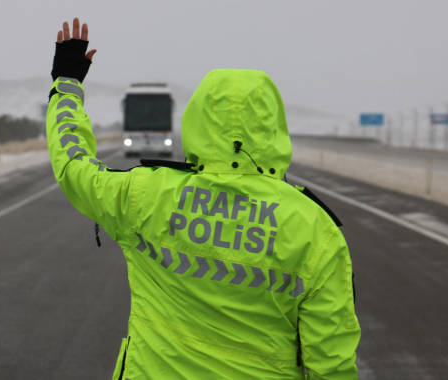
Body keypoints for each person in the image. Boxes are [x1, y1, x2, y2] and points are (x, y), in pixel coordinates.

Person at [46, 18, 361, 380]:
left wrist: (67, 85)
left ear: (197, 120)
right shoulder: (314, 228)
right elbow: (333, 364)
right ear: (275, 128)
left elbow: (74, 164)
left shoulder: (146, 194)